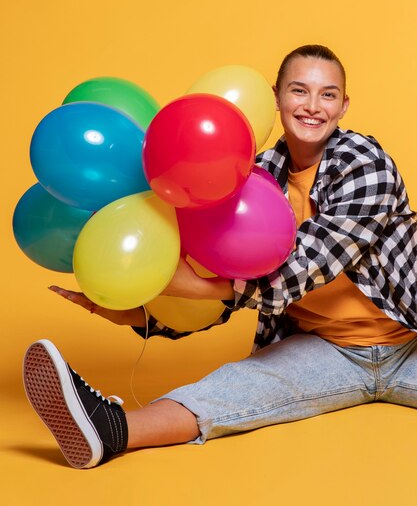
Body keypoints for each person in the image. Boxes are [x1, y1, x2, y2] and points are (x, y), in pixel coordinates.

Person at [23, 44, 417, 469]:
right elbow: (224, 274)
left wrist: (189, 286)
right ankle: (110, 429)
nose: (312, 106)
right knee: (236, 385)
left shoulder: (364, 163)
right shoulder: (248, 175)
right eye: (299, 91)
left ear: (343, 105)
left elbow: (308, 264)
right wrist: (141, 312)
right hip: (329, 351)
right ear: (277, 98)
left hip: (408, 339)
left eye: (327, 94)